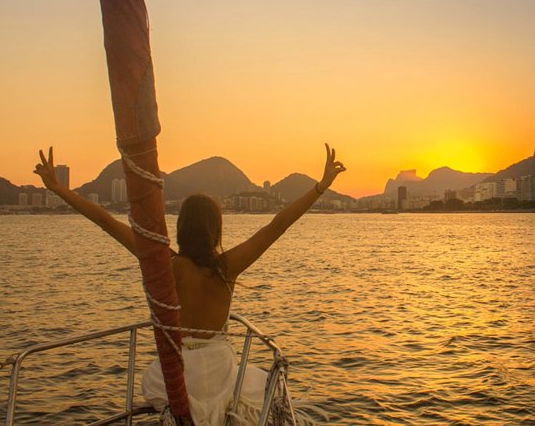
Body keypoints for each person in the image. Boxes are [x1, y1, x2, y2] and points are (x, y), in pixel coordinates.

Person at [34, 144, 345, 426]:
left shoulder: (165, 265)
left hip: (179, 372)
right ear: (216, 229)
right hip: (221, 370)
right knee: (256, 384)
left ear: (181, 227)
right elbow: (277, 225)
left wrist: (58, 188)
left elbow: (107, 222)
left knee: (152, 380)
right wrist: (320, 187)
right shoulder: (227, 268)